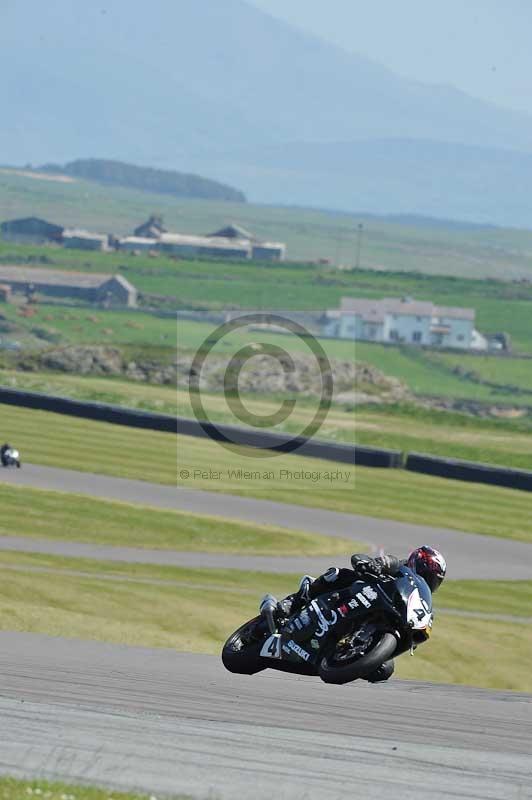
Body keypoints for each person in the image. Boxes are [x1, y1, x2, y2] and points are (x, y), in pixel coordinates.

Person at [276, 545, 447, 683]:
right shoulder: (399, 567)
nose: (429, 580)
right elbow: (377, 562)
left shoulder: (421, 600)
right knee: (337, 574)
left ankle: (344, 655)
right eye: (428, 574)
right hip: (358, 595)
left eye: (434, 579)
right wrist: (373, 565)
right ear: (417, 564)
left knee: (384, 670)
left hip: (382, 621)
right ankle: (294, 601)